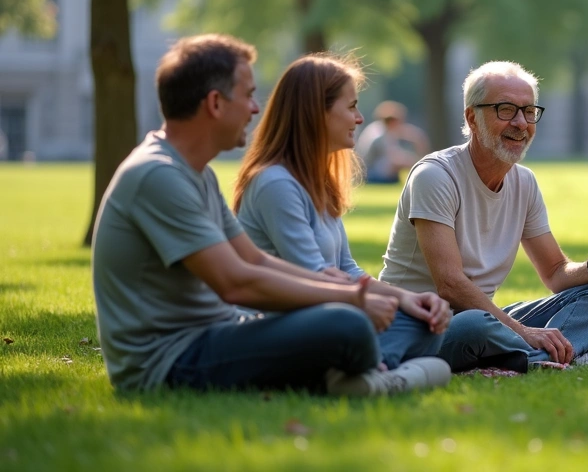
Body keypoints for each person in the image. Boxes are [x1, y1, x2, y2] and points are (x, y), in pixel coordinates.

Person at [91, 34, 447, 396]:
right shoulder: (158, 175)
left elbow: (254, 259)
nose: (255, 109)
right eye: (247, 95)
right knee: (347, 326)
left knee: (416, 323)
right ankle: (375, 377)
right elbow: (236, 283)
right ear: (215, 103)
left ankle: (358, 374)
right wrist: (354, 300)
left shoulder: (195, 173)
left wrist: (378, 295)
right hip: (170, 360)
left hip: (215, 335)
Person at [380, 61, 588, 372]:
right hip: (418, 327)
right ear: (472, 118)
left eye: (529, 111)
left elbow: (556, 272)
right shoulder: (435, 176)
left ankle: (535, 356)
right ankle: (554, 355)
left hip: (486, 317)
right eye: (506, 109)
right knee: (476, 325)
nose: (521, 123)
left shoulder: (524, 182)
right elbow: (450, 285)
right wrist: (524, 331)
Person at [233, 53, 453, 379]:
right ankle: (368, 369)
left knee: (426, 321)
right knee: (356, 324)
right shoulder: (275, 183)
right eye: (351, 107)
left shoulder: (317, 182)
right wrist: (369, 301)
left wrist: (409, 298)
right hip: (278, 323)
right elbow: (314, 277)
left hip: (327, 313)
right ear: (316, 113)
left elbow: (346, 268)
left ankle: (365, 369)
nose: (360, 118)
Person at [356, 100, 431, 183]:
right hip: (370, 173)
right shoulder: (379, 134)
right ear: (393, 121)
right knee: (404, 162)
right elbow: (394, 157)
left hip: (377, 170)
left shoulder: (384, 130)